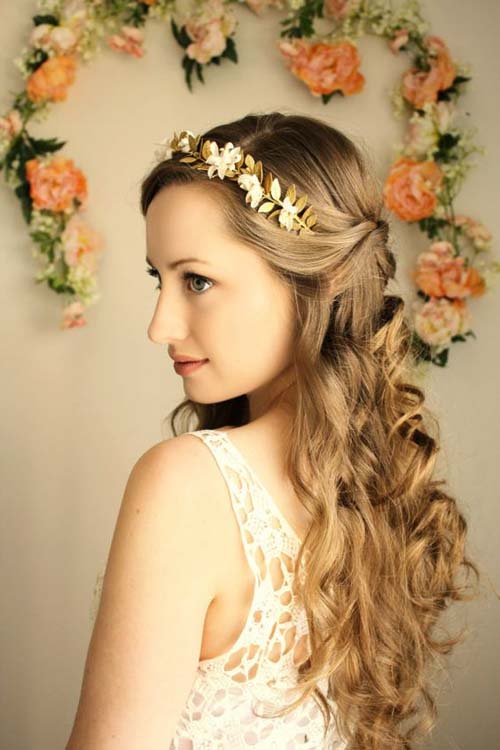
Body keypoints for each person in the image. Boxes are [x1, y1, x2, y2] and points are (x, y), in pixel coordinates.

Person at [65, 111, 480, 750]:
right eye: (159, 278)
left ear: (320, 280)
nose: (160, 325)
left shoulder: (187, 483)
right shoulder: (377, 491)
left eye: (197, 280)